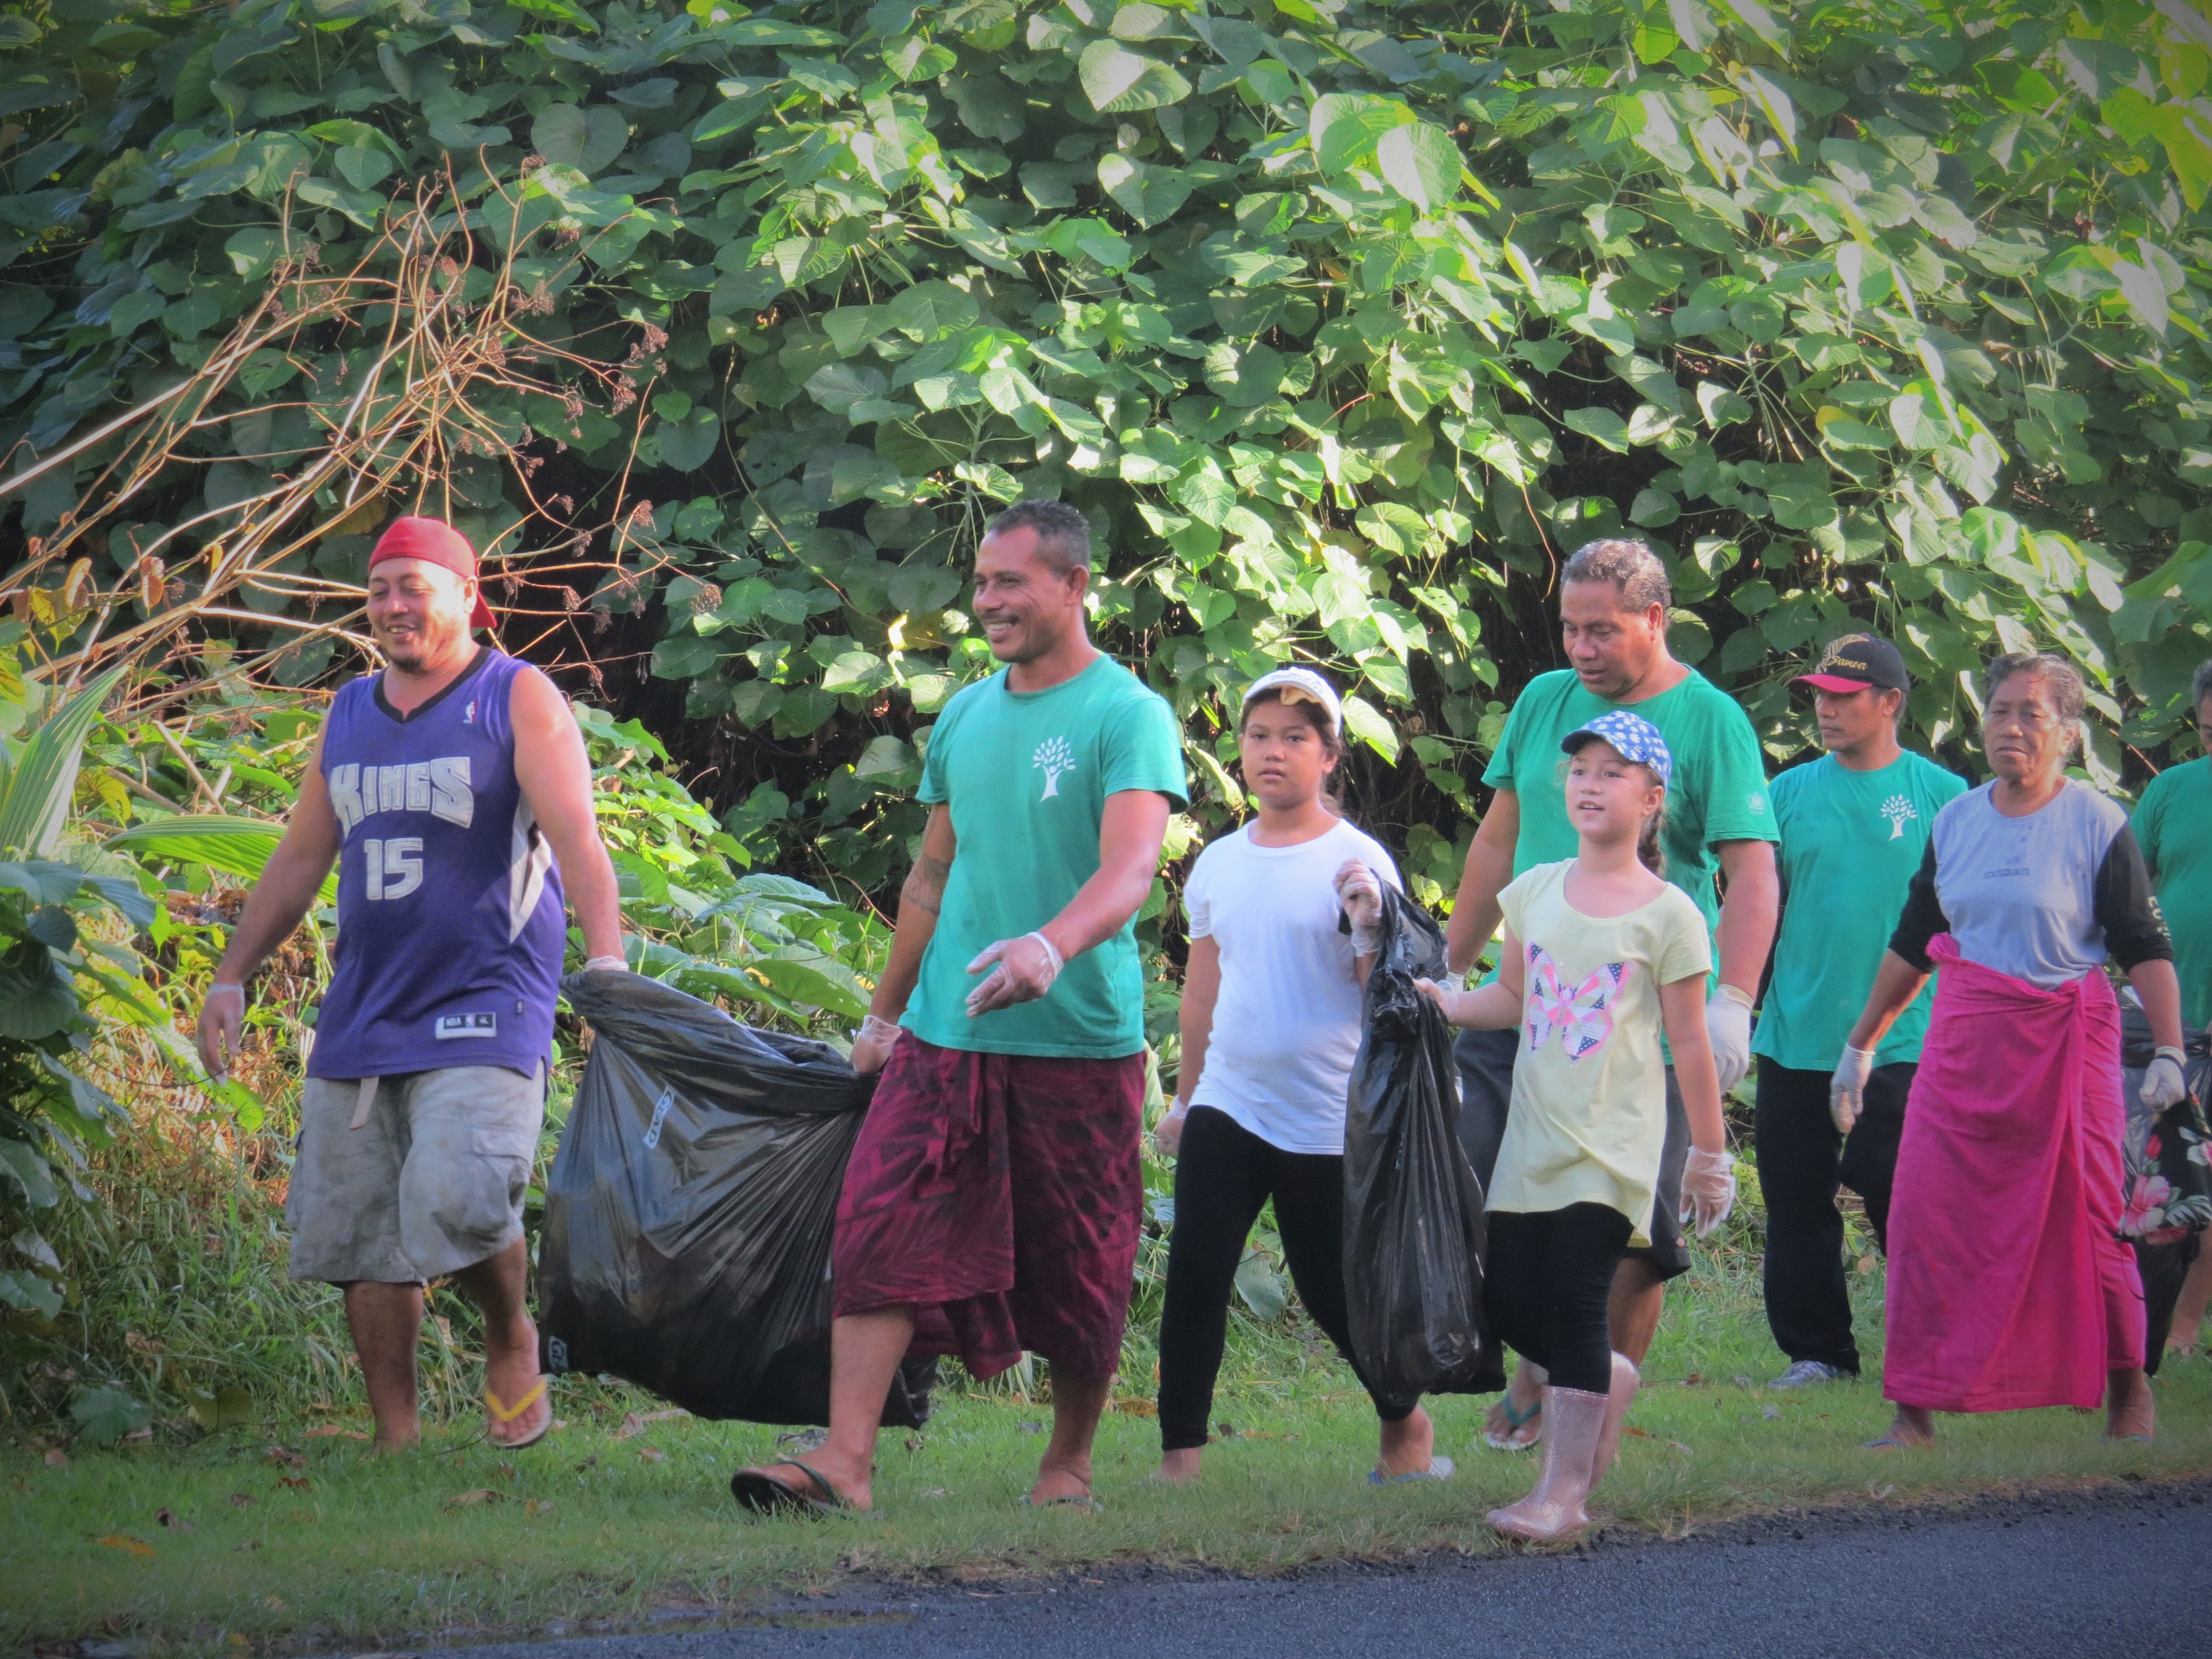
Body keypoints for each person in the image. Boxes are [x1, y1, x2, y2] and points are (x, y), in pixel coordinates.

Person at [730, 500, 1186, 1516]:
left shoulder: (1127, 714)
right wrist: (881, 1018)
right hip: (945, 1037)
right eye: (981, 583)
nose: (986, 601)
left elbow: (1131, 871)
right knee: (878, 1226)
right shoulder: (968, 715)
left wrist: (1048, 946)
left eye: (1009, 582)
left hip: (1076, 1042)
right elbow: (930, 880)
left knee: (1083, 1261)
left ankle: (1067, 1466)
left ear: (1073, 585)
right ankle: (844, 1463)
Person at [195, 516, 626, 1452]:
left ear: (469, 597)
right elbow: (301, 858)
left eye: (414, 588)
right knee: (363, 1241)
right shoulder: (349, 712)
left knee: (461, 1194)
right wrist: (231, 976)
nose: (393, 606)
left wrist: (608, 966)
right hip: (363, 1010)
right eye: (380, 589)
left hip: (488, 998)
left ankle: (510, 1334)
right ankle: (397, 1439)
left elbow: (578, 838)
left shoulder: (515, 695)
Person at [1443, 538, 1777, 1451]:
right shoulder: (1545, 702)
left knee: (1634, 1241)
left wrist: (1733, 999)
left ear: (1655, 619)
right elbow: (1496, 841)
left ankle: (1584, 1435)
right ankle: (1545, 1356)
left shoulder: (1709, 720)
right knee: (1464, 1168)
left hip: (1642, 1024)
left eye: (1602, 630)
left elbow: (1752, 872)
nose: (1581, 649)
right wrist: (1452, 969)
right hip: (1529, 1000)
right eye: (1569, 628)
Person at [1836, 651, 2183, 1448]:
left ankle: (2129, 1395)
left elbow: (2141, 942)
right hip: (1964, 1046)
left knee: (2092, 1217)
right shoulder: (1957, 821)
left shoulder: (2094, 821)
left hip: (2067, 1043)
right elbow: (1917, 939)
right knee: (1924, 1214)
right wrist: (1861, 1045)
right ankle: (1914, 1412)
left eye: (2031, 713)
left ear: (2067, 732)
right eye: (1999, 711)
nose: (2011, 727)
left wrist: (2168, 1051)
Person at [1420, 712, 1735, 1540]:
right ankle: (1608, 1379)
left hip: (1613, 1146)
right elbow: (1511, 998)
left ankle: (1561, 1495)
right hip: (1536, 1140)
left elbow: (1689, 1042)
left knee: (1574, 1299)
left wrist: (1709, 1153)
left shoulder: (1671, 915)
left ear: (1652, 800)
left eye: (1613, 773)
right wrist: (1446, 1002)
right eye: (1581, 771)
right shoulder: (1534, 891)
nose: (1590, 785)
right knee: (1509, 1300)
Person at [1151, 669, 1445, 1486]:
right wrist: (1184, 1100)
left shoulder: (1357, 858)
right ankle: (1180, 1462)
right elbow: (1201, 995)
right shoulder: (1217, 863)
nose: (1273, 753)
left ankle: (1404, 1421)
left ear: (1329, 756)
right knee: (1196, 1273)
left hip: (1326, 1111)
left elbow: (1387, 998)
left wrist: (1368, 923)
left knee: (1329, 1290)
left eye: (1294, 738)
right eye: (1259, 736)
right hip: (1229, 1100)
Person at [1750, 634, 1965, 1388]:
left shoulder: (1944, 795)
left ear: (1891, 702)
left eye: (1843, 697)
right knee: (1796, 1201)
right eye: (1818, 694)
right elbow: (1756, 908)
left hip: (1909, 1036)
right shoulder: (1786, 793)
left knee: (1897, 1184)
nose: (1825, 708)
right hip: (1796, 1032)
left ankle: (1938, 1340)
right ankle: (1819, 1354)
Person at [2128, 659, 2212, 1359]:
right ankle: (2136, 1327)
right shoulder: (2171, 788)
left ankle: (2185, 1326)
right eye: (2210, 731)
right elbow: (2128, 888)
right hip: (2164, 1018)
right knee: (2144, 1174)